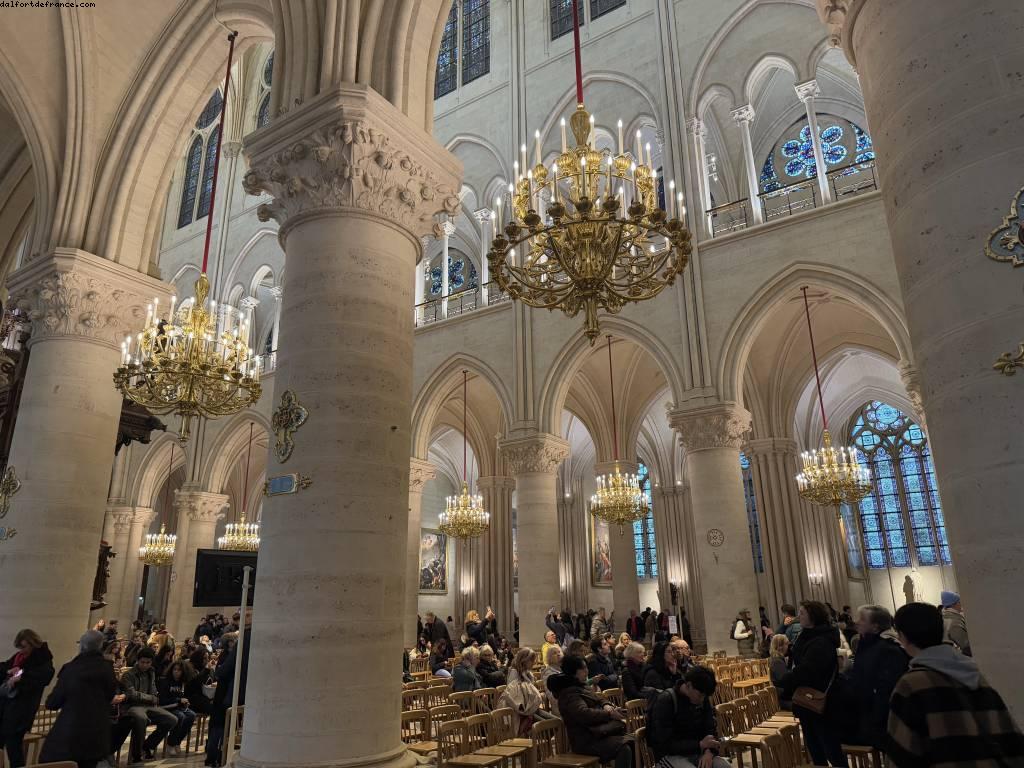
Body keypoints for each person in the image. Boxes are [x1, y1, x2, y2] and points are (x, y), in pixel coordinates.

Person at [886, 602, 1024, 766]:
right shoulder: (974, 673)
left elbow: (901, 753)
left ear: (902, 637)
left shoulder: (911, 685)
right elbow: (1010, 738)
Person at [780, 601, 846, 767]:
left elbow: (809, 670)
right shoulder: (808, 635)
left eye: (802, 613)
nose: (798, 616)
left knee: (829, 746)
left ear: (813, 616)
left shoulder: (821, 641)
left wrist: (786, 679)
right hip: (806, 701)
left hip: (819, 700)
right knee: (814, 746)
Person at [39, 631, 119, 768]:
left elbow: (53, 702)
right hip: (97, 732)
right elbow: (110, 695)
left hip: (70, 731)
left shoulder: (71, 669)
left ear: (81, 646)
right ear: (100, 647)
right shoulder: (107, 668)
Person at [839, 604, 907, 751]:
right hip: (866, 714)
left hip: (880, 720)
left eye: (862, 619)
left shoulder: (888, 649)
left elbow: (886, 689)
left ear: (875, 627)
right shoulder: (868, 644)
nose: (857, 622)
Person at [549, 655, 632, 768]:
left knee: (633, 740)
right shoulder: (569, 693)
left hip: (596, 734)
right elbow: (584, 714)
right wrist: (609, 714)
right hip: (585, 740)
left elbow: (599, 698)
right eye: (583, 669)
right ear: (573, 672)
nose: (587, 671)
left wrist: (606, 705)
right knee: (625, 747)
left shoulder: (579, 686)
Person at [647, 666, 729, 768]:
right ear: (689, 685)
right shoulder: (667, 700)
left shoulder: (702, 698)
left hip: (698, 751)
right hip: (669, 755)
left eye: (705, 696)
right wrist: (700, 745)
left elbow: (709, 729)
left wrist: (708, 752)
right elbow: (665, 744)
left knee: (723, 766)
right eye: (700, 695)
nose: (702, 699)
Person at [0, 629, 55, 768]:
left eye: (24, 647)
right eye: (20, 647)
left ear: (33, 643)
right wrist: (8, 671)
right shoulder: (19, 657)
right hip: (6, 709)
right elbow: (6, 667)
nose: (21, 650)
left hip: (20, 713)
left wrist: (20, 678)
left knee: (13, 748)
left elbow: (42, 678)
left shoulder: (43, 661)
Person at [118, 648, 177, 763]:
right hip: (132, 706)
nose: (145, 665)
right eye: (143, 662)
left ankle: (148, 745)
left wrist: (154, 696)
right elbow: (132, 694)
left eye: (148, 662)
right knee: (141, 718)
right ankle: (137, 753)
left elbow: (153, 690)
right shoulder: (128, 675)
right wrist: (151, 697)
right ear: (137, 661)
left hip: (148, 706)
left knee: (172, 719)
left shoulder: (151, 672)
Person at [205, 616, 250, 767]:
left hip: (228, 692)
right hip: (228, 692)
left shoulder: (238, 647)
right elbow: (223, 671)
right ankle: (216, 755)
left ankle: (217, 755)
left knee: (221, 724)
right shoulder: (234, 650)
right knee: (221, 725)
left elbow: (222, 671)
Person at [498, 648, 552, 735]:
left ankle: (542, 746)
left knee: (555, 721)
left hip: (530, 708)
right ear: (523, 660)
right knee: (549, 726)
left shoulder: (527, 673)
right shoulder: (514, 673)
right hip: (520, 712)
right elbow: (515, 697)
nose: (534, 663)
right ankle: (537, 745)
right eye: (531, 660)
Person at [158, 661, 196, 757]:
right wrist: (179, 700)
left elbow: (182, 697)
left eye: (179, 670)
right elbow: (163, 700)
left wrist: (185, 701)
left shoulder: (182, 683)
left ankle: (177, 741)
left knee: (192, 715)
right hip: (167, 707)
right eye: (174, 669)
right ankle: (171, 743)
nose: (176, 672)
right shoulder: (165, 681)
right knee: (180, 716)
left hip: (178, 707)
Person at [939, 591, 971, 656]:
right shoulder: (954, 621)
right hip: (953, 657)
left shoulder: (944, 617)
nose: (961, 605)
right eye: (959, 602)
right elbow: (966, 645)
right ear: (955, 604)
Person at [768, 634, 791, 710]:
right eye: (786, 644)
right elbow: (785, 681)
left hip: (785, 696)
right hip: (783, 699)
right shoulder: (777, 662)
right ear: (780, 646)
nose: (788, 647)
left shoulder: (779, 659)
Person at [542, 646, 563, 716]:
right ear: (549, 658)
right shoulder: (548, 673)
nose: (558, 654)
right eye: (554, 653)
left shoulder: (564, 668)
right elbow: (552, 697)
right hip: (560, 708)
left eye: (559, 652)